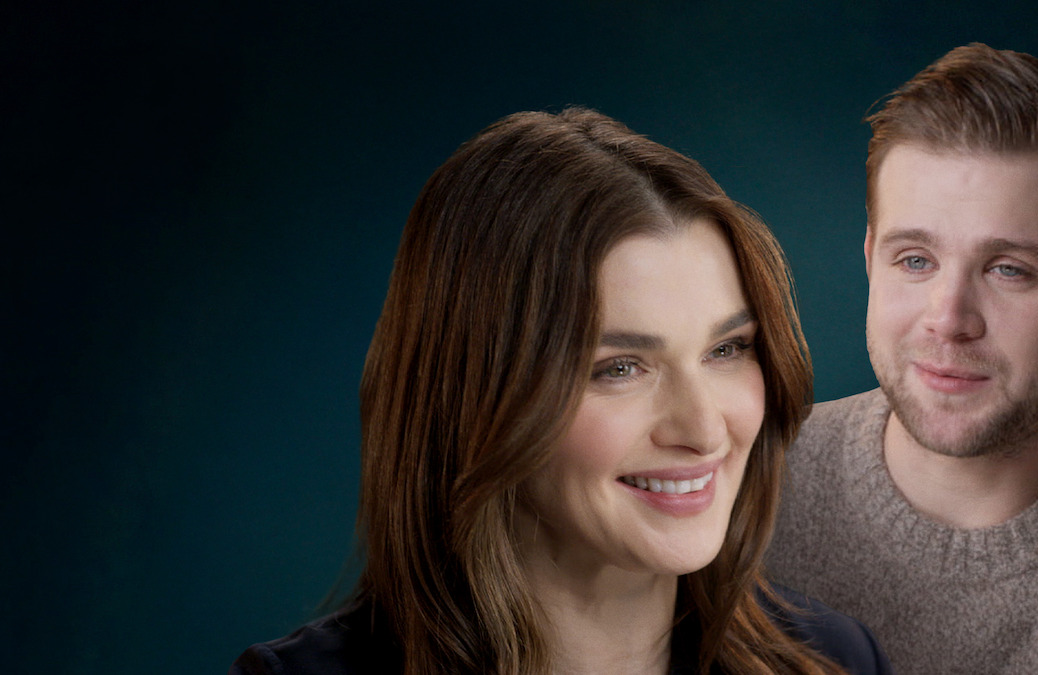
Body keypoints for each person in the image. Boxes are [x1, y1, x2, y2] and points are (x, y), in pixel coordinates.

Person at [230, 108, 891, 674]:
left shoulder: (835, 660)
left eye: (726, 349)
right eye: (621, 367)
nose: (704, 429)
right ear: (477, 393)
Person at [765, 43, 1038, 673]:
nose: (949, 318)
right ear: (870, 262)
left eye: (1009, 270)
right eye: (915, 260)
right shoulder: (733, 489)